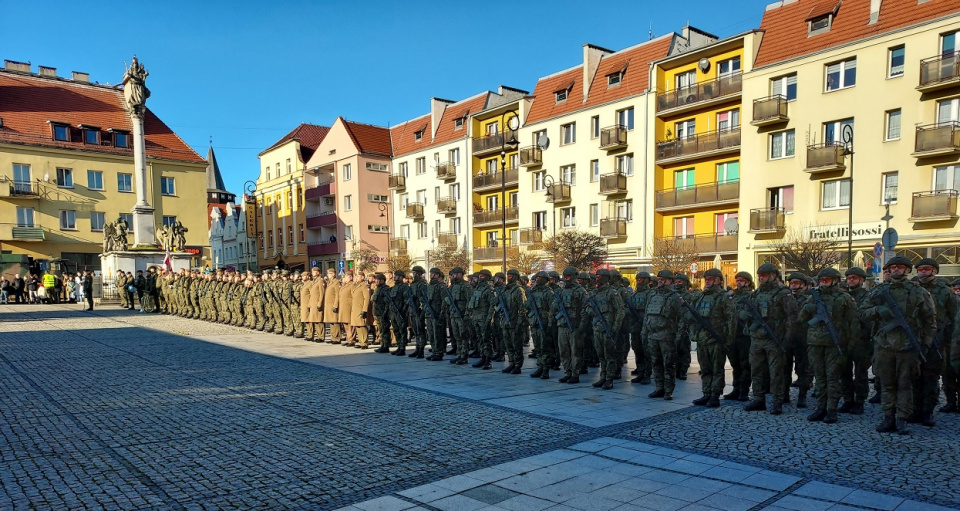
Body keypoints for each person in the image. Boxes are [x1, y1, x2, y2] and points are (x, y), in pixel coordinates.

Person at [859, 256, 936, 435]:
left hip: (908, 346)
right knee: (886, 384)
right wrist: (878, 310)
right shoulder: (879, 291)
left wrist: (925, 344)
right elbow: (862, 312)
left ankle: (902, 419)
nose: (895, 270)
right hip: (884, 345)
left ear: (908, 270)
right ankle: (888, 417)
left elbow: (929, 320)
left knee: (905, 385)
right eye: (892, 267)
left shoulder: (918, 292)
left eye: (900, 267)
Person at [799, 268, 857, 424]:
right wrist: (807, 309)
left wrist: (849, 345)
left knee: (832, 378)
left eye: (827, 280)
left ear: (836, 281)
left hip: (834, 343)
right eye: (821, 280)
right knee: (820, 377)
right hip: (815, 343)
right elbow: (800, 318)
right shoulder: (813, 297)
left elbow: (853, 323)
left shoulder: (844, 298)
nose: (823, 283)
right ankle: (820, 408)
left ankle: (832, 410)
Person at [740, 263, 798, 415]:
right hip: (757, 338)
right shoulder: (756, 293)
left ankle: (777, 401)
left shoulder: (783, 293)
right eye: (759, 276)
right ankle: (758, 399)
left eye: (764, 276)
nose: (760, 278)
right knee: (756, 370)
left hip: (774, 340)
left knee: (776, 373)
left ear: (773, 276)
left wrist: (786, 340)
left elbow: (792, 318)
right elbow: (745, 311)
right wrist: (745, 315)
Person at [912, 257, 957, 426]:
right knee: (915, 376)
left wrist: (949, 341)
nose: (923, 272)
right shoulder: (912, 289)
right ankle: (915, 410)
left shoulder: (946, 292)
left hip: (937, 340)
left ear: (935, 271)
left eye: (927, 269)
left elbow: (954, 317)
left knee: (930, 377)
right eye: (920, 269)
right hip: (915, 338)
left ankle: (927, 412)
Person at [686, 268, 736, 408]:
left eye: (710, 279)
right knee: (705, 368)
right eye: (706, 279)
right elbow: (694, 318)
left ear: (718, 280)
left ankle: (715, 395)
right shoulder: (701, 297)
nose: (707, 281)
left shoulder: (723, 297)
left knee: (717, 369)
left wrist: (728, 339)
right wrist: (694, 333)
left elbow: (731, 319)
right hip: (703, 339)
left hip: (717, 339)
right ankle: (706, 393)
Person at [643, 270, 684, 400]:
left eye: (663, 279)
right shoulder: (652, 295)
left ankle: (668, 390)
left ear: (670, 281)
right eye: (659, 278)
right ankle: (659, 387)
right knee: (655, 363)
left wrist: (679, 336)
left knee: (668, 364)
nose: (660, 281)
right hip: (652, 335)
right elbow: (646, 315)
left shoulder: (674, 297)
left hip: (667, 336)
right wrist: (644, 331)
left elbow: (683, 317)